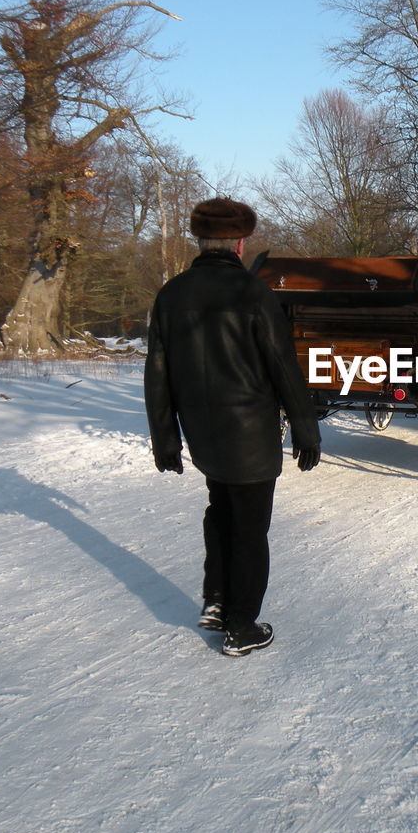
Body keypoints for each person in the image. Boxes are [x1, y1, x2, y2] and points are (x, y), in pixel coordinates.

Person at [145, 197, 322, 657]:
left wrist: (164, 437)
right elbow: (283, 365)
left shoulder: (171, 294)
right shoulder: (253, 293)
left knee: (219, 511)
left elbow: (157, 371)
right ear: (240, 243)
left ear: (199, 241)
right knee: (248, 527)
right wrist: (306, 426)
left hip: (204, 434)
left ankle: (218, 601)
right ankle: (241, 627)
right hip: (250, 433)